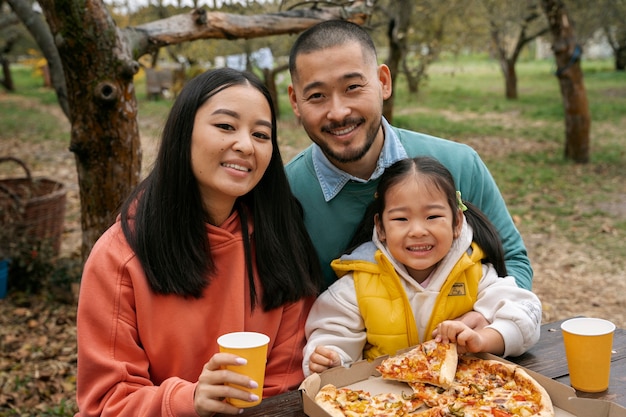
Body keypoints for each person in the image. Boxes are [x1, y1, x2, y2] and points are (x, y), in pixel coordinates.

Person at [74, 68, 323, 417]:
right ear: (183, 132)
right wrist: (188, 401)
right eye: (225, 126)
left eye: (261, 134)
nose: (245, 145)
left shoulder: (280, 243)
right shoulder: (120, 257)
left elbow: (285, 381)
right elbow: (105, 403)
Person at [285, 19, 533, 292]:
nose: (338, 112)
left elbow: (512, 262)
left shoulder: (459, 165)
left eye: (353, 87)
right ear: (295, 102)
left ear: (383, 82)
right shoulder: (283, 193)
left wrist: (481, 321)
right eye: (317, 95)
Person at [303, 156, 542, 376]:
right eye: (400, 219)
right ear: (381, 227)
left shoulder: (474, 273)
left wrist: (481, 339)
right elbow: (332, 335)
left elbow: (526, 314)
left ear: (457, 222)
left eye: (432, 217)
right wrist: (331, 361)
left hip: (466, 398)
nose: (417, 231)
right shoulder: (358, 283)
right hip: (383, 400)